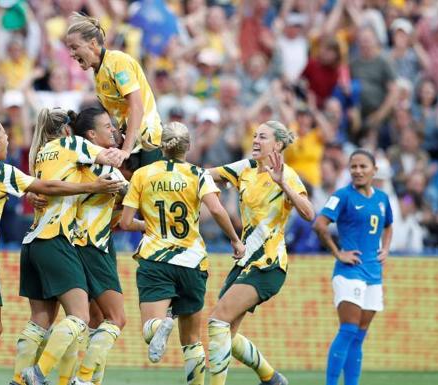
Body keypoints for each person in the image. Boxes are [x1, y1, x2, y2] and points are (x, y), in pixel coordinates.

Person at [0, 118, 123, 385]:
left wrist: (30, 196)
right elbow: (45, 186)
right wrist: (92, 186)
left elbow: (14, 190)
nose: (8, 139)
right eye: (4, 134)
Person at [119, 122, 245, 385]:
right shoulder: (198, 174)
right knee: (191, 341)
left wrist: (149, 225)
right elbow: (219, 210)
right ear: (188, 147)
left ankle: (161, 325)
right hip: (191, 261)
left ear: (161, 146)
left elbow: (125, 222)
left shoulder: (143, 174)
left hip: (156, 260)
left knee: (149, 330)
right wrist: (235, 240)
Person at [16, 108, 125, 385]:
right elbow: (109, 162)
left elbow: (44, 186)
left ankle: (20, 380)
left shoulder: (41, 153)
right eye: (107, 126)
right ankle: (62, 377)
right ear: (71, 131)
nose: (112, 130)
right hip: (69, 240)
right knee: (88, 317)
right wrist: (129, 144)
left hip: (34, 240)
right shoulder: (74, 146)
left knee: (44, 320)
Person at [207, 121, 315, 385]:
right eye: (254, 135)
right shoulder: (245, 168)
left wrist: (283, 185)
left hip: (269, 264)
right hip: (245, 262)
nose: (255, 140)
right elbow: (201, 175)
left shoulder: (287, 175)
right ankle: (272, 379)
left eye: (263, 137)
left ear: (277, 144)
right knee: (225, 335)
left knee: (217, 322)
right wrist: (171, 170)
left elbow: (309, 213)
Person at [313, 149, 393, 385]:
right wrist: (338, 252)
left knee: (359, 336)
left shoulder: (382, 198)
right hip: (350, 271)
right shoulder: (342, 196)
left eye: (362, 166)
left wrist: (385, 248)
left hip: (373, 273)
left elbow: (388, 225)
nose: (357, 171)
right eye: (353, 167)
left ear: (374, 170)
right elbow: (319, 224)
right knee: (348, 330)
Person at [65, 13, 163, 171]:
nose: (71, 53)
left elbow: (137, 107)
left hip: (148, 140)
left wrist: (126, 150)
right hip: (131, 143)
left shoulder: (117, 61)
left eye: (75, 47)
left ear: (92, 43)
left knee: (147, 193)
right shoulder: (98, 74)